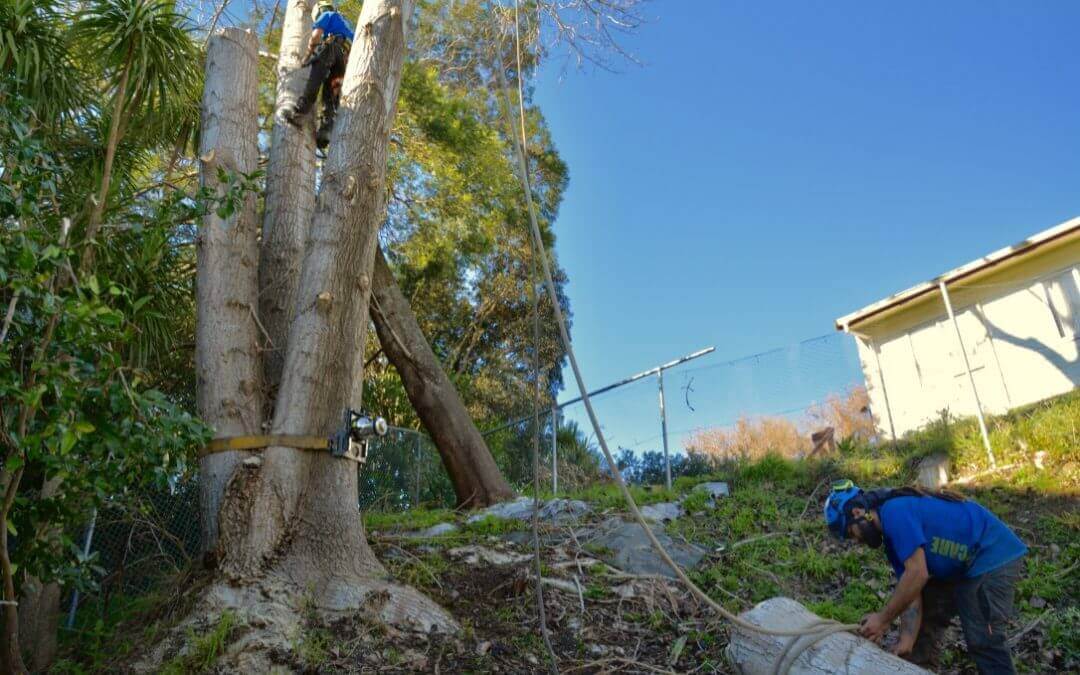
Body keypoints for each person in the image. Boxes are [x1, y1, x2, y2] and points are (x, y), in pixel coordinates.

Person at [824, 479, 1027, 674]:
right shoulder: (892, 540)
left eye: (850, 533)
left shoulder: (895, 512)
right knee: (926, 618)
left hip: (991, 554)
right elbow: (913, 591)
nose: (856, 541)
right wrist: (906, 640)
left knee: (983, 639)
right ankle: (917, 666)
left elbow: (917, 574)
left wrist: (883, 619)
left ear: (857, 512)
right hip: (960, 565)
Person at [280, 0, 355, 150]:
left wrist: (307, 56)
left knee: (314, 80)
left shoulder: (327, 14)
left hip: (331, 48)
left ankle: (298, 113)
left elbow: (316, 35)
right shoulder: (348, 28)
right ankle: (325, 131)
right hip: (344, 61)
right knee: (331, 95)